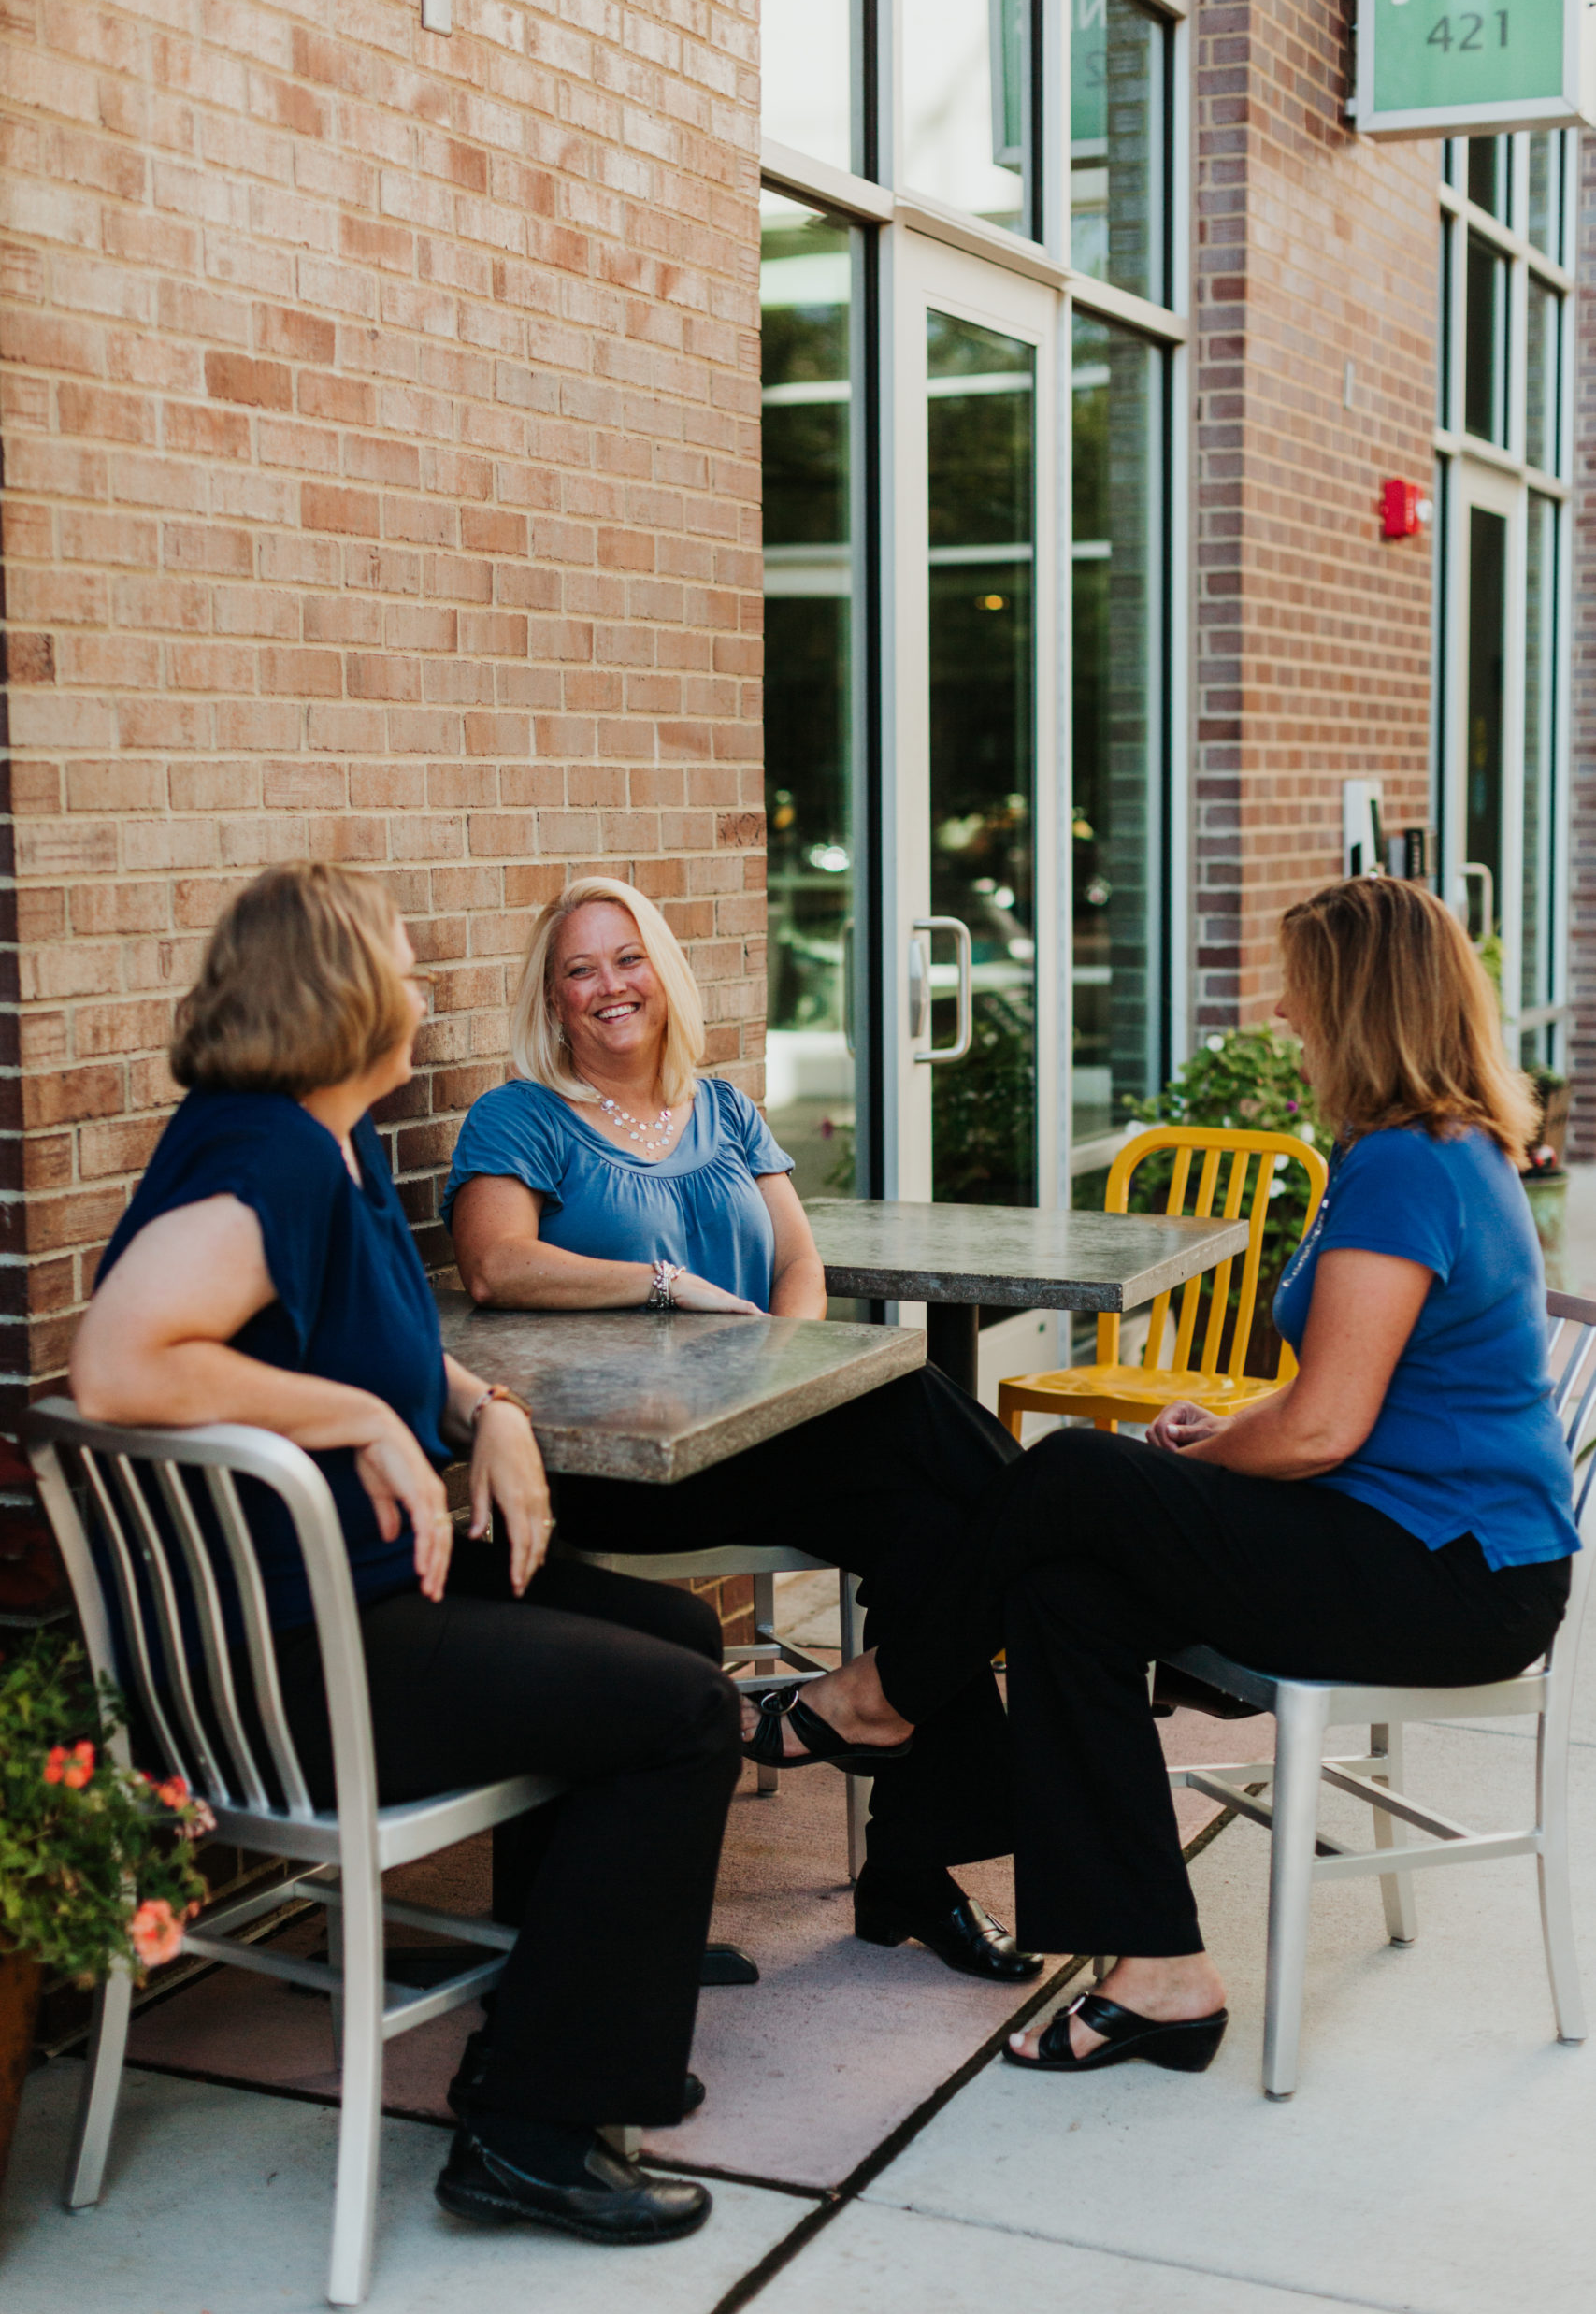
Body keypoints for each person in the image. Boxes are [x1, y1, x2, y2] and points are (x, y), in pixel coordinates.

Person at [774, 875, 1578, 2075]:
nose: (1286, 1012)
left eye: (1304, 986)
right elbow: (1352, 1401)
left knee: (1075, 1475)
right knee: (1064, 1593)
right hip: (1394, 1540)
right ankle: (1160, 1971)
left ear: (1361, 1001)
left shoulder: (1412, 1164)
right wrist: (1231, 1431)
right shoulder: (1424, 1151)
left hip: (1452, 1579)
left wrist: (1224, 1444)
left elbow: (1322, 1432)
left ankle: (887, 1693)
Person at [71, 861, 740, 2247]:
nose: (424, 985)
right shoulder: (261, 1151)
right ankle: (529, 2133)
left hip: (360, 1600)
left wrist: (474, 1409)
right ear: (342, 992)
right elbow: (120, 1358)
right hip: (290, 1661)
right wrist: (361, 1421)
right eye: (400, 960)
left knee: (678, 1640)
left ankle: (558, 2004)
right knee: (683, 1716)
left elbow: (368, 1341)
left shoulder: (335, 1143)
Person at [443, 875, 1040, 1985]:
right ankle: (1055, 1551)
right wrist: (664, 1285)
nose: (609, 986)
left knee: (930, 1531)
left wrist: (790, 1362)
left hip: (755, 1437)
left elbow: (796, 1261)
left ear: (662, 972)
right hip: (624, 1458)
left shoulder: (722, 1108)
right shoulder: (520, 1115)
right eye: (580, 969)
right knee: (923, 1419)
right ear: (554, 997)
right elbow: (495, 1264)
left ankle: (909, 1868)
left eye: (628, 958)